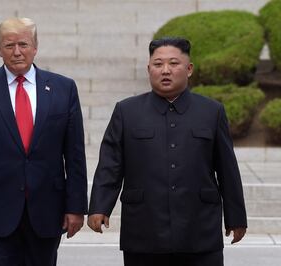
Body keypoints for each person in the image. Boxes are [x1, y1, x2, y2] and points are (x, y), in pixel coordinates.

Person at [87, 37, 247, 266]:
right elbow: (110, 164)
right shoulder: (127, 111)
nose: (165, 70)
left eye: (174, 63)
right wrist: (100, 207)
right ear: (148, 68)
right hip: (144, 229)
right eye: (158, 64)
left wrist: (236, 217)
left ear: (189, 69)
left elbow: (227, 169)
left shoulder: (212, 112)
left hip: (199, 229)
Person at [0, 17, 88, 266]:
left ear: (35, 47)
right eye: (8, 45)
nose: (16, 52)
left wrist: (76, 206)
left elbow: (75, 153)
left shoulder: (63, 88)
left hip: (46, 209)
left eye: (23, 44)